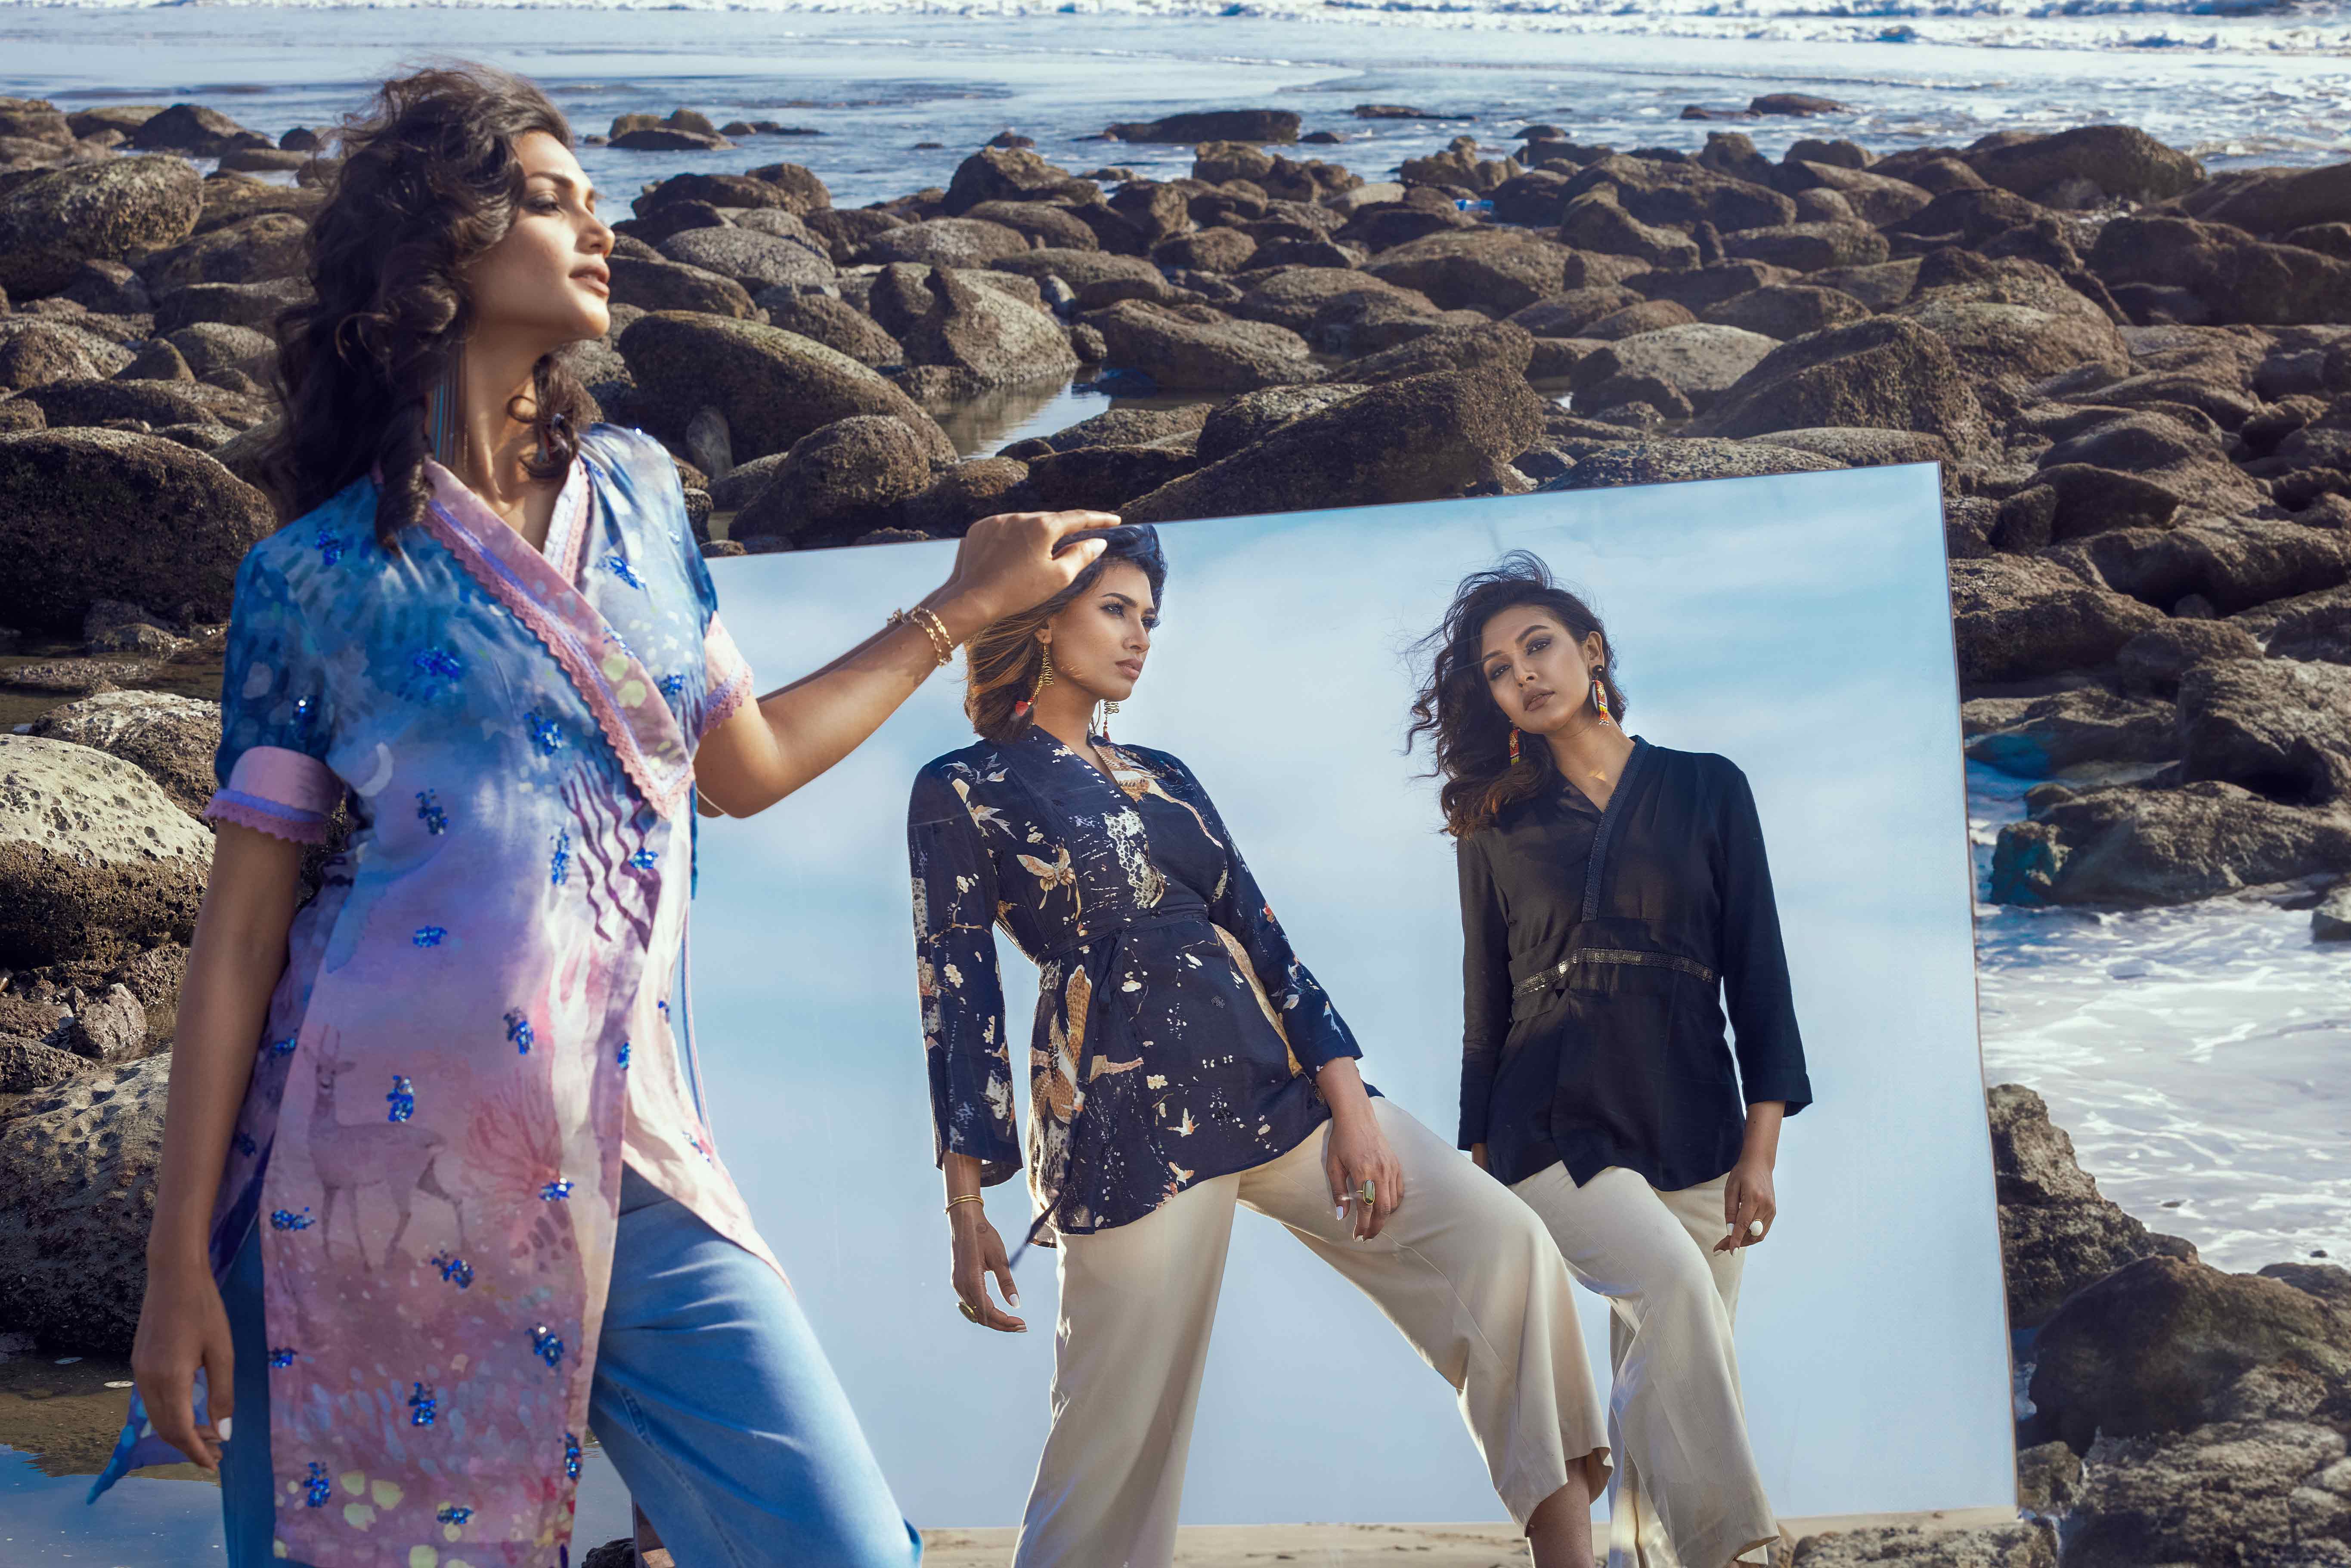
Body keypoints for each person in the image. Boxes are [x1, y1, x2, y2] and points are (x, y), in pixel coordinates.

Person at [95, 63, 1118, 1568]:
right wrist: (177, 1263)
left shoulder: (638, 499)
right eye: (549, 199)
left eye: (596, 198)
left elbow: (743, 765)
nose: (601, 228)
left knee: (844, 1546)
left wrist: (959, 609)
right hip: (370, 1187)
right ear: (440, 245)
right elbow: (240, 939)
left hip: (626, 1155)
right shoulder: (311, 578)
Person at [905, 526, 1612, 1568]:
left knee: (1502, 1245)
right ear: (1044, 618)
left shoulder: (1167, 775)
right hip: (1123, 1120)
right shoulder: (961, 785)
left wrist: (1351, 1104)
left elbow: (1265, 937)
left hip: (1276, 1085)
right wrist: (965, 1204)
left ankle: (1571, 1558)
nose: (1140, 637)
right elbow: (955, 994)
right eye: (1115, 609)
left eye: (1150, 618)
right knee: (1111, 1443)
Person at [1406, 551, 1813, 1568]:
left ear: (1590, 652)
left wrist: (1759, 1151)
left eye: (1537, 646)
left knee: (1680, 1359)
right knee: (1673, 1293)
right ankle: (1737, 1552)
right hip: (1550, 1112)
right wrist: (1475, 1154)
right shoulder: (1494, 823)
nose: (1522, 674)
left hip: (1696, 1116)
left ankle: (1648, 1553)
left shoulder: (1709, 788)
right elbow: (1485, 999)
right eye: (1498, 669)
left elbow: (1759, 974)